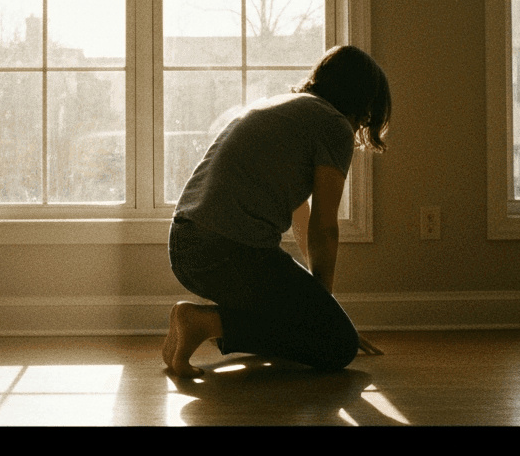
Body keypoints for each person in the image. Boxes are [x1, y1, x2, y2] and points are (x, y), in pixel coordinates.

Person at [163, 45, 392, 378]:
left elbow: (301, 214)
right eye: (367, 115)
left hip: (185, 246)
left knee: (308, 323)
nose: (362, 125)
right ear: (361, 103)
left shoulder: (282, 108)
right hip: (227, 250)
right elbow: (324, 225)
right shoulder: (333, 124)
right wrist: (323, 315)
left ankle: (208, 325)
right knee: (340, 345)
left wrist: (317, 305)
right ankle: (204, 323)